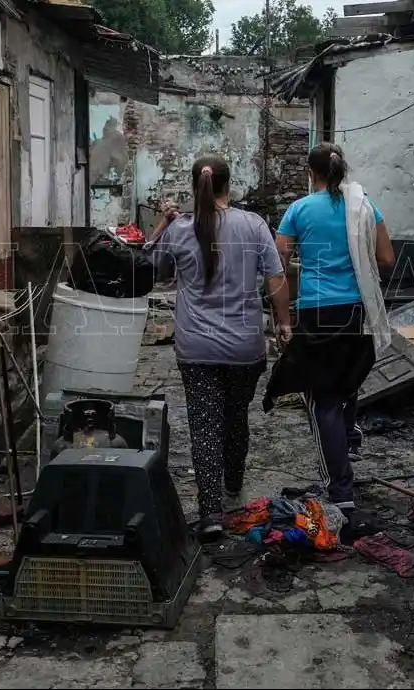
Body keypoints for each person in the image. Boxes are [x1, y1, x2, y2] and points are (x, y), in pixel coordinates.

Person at [147, 155, 292, 543]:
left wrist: (163, 221)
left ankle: (211, 513)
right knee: (236, 415)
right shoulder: (253, 224)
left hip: (196, 348)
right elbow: (276, 277)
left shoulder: (180, 229)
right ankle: (233, 483)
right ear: (231, 185)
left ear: (196, 186)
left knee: (204, 426)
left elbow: (155, 269)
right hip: (245, 346)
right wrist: (284, 323)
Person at [264, 142, 395, 520]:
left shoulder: (299, 210)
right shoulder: (364, 206)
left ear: (310, 172)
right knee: (344, 386)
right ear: (343, 170)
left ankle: (341, 488)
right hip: (356, 311)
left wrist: (282, 316)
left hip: (317, 313)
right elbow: (387, 259)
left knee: (322, 400)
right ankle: (348, 442)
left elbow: (278, 265)